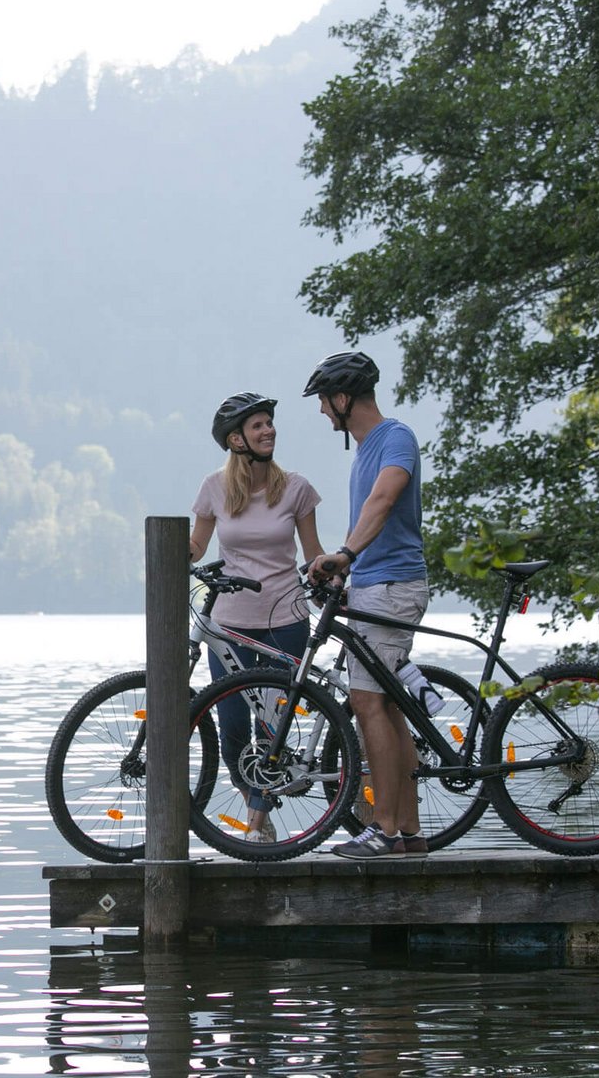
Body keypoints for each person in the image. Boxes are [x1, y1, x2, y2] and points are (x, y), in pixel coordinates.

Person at [301, 350, 431, 859]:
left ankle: (383, 829)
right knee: (387, 706)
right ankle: (410, 832)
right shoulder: (364, 450)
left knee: (367, 703)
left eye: (322, 402)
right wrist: (344, 568)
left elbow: (384, 501)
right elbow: (368, 522)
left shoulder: (394, 438)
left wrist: (346, 555)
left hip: (393, 586)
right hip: (376, 582)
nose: (320, 413)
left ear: (342, 397)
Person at [190, 392, 325, 839]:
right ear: (236, 439)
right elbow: (197, 546)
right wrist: (165, 554)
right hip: (229, 623)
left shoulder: (297, 488)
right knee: (230, 726)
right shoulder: (213, 488)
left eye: (270, 423)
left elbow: (313, 553)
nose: (269, 430)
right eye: (258, 425)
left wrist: (332, 578)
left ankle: (257, 824)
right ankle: (254, 798)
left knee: (271, 727)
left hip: (285, 619)